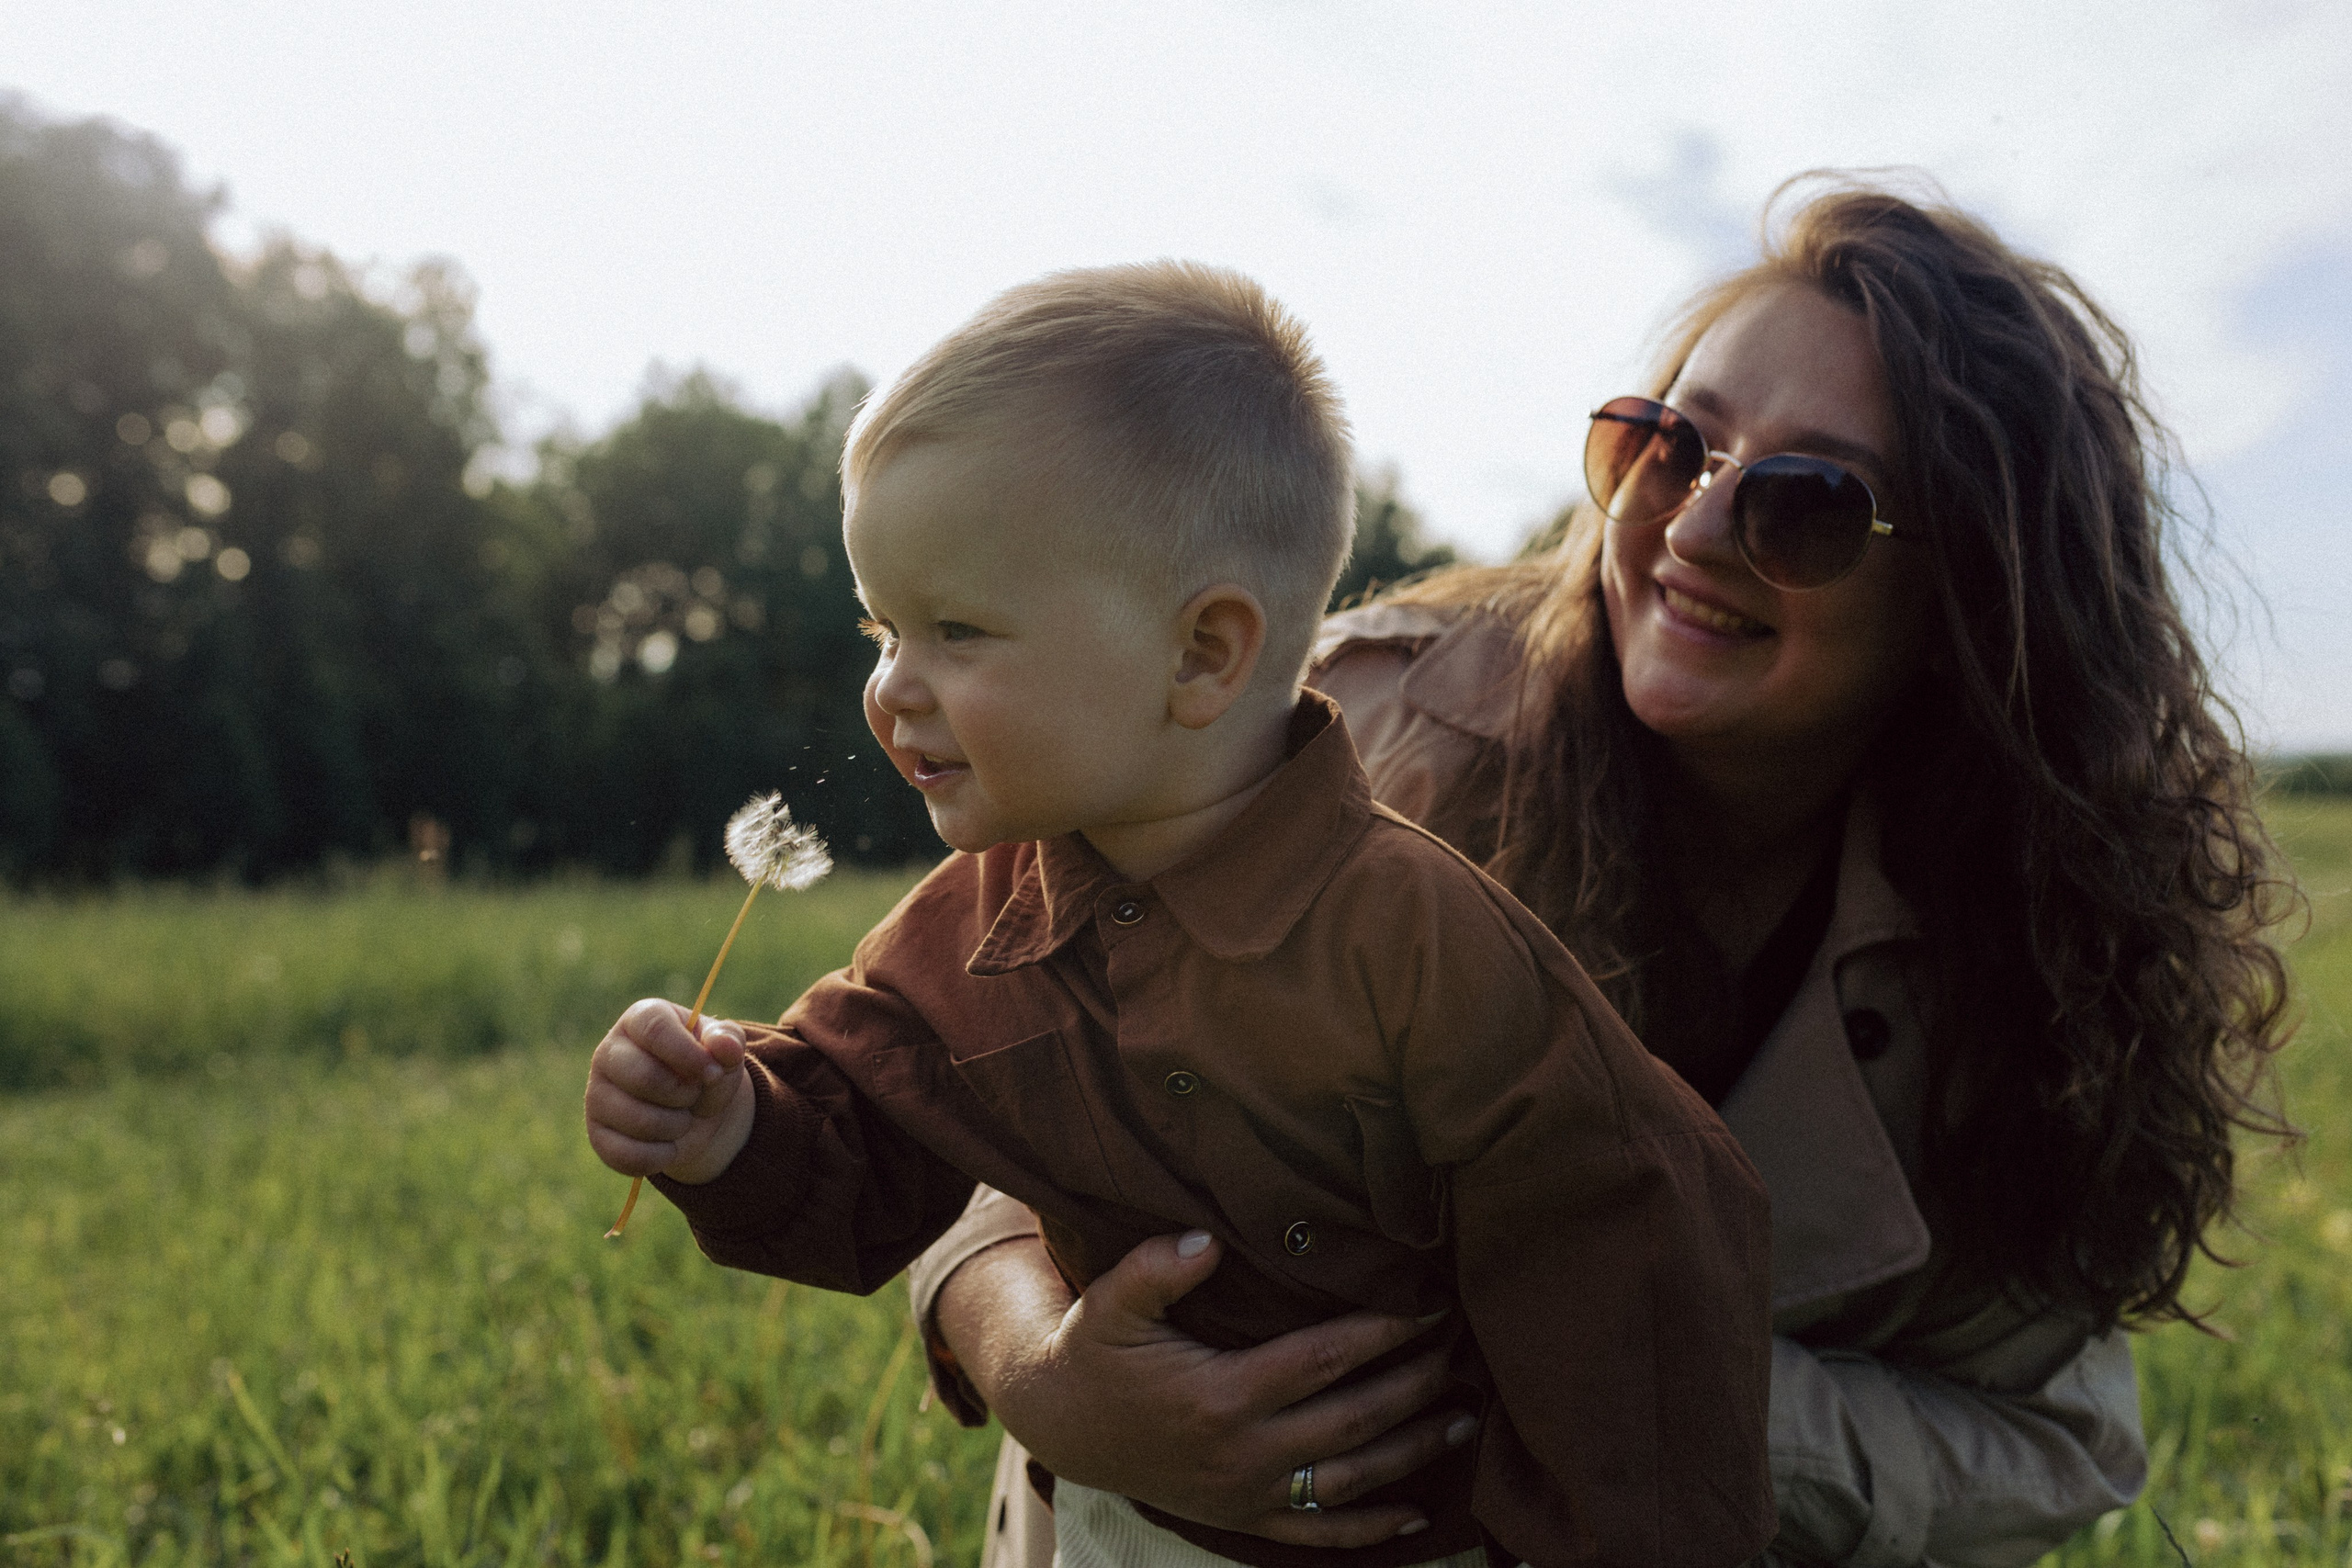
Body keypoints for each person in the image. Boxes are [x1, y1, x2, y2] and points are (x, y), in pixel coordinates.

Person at [908, 177, 2298, 1568]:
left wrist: (1644, 1386)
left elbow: (2062, 1443)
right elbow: (979, 1084)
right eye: (1669, 445)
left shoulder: (2035, 952)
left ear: (1971, 597)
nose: (1691, 532)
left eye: (1806, 505)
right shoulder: (1359, 737)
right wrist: (1042, 1367)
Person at [582, 261, 1779, 1568]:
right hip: (1110, 1525)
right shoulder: (972, 928)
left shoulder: (1416, 943)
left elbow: (1634, 1255)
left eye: (957, 631)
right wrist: (728, 1123)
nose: (891, 690)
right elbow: (863, 1145)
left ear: (1203, 654)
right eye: (882, 629)